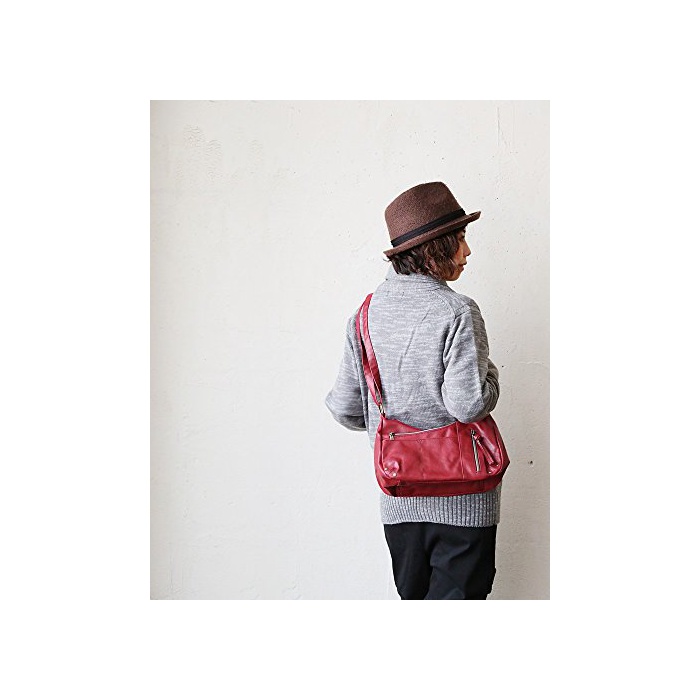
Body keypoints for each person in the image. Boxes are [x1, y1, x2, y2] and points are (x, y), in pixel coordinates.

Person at [325, 181, 502, 600]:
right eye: (460, 239)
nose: (467, 251)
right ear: (435, 247)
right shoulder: (457, 310)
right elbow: (468, 404)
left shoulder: (364, 315)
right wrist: (492, 376)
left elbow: (346, 408)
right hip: (464, 500)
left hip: (399, 498)